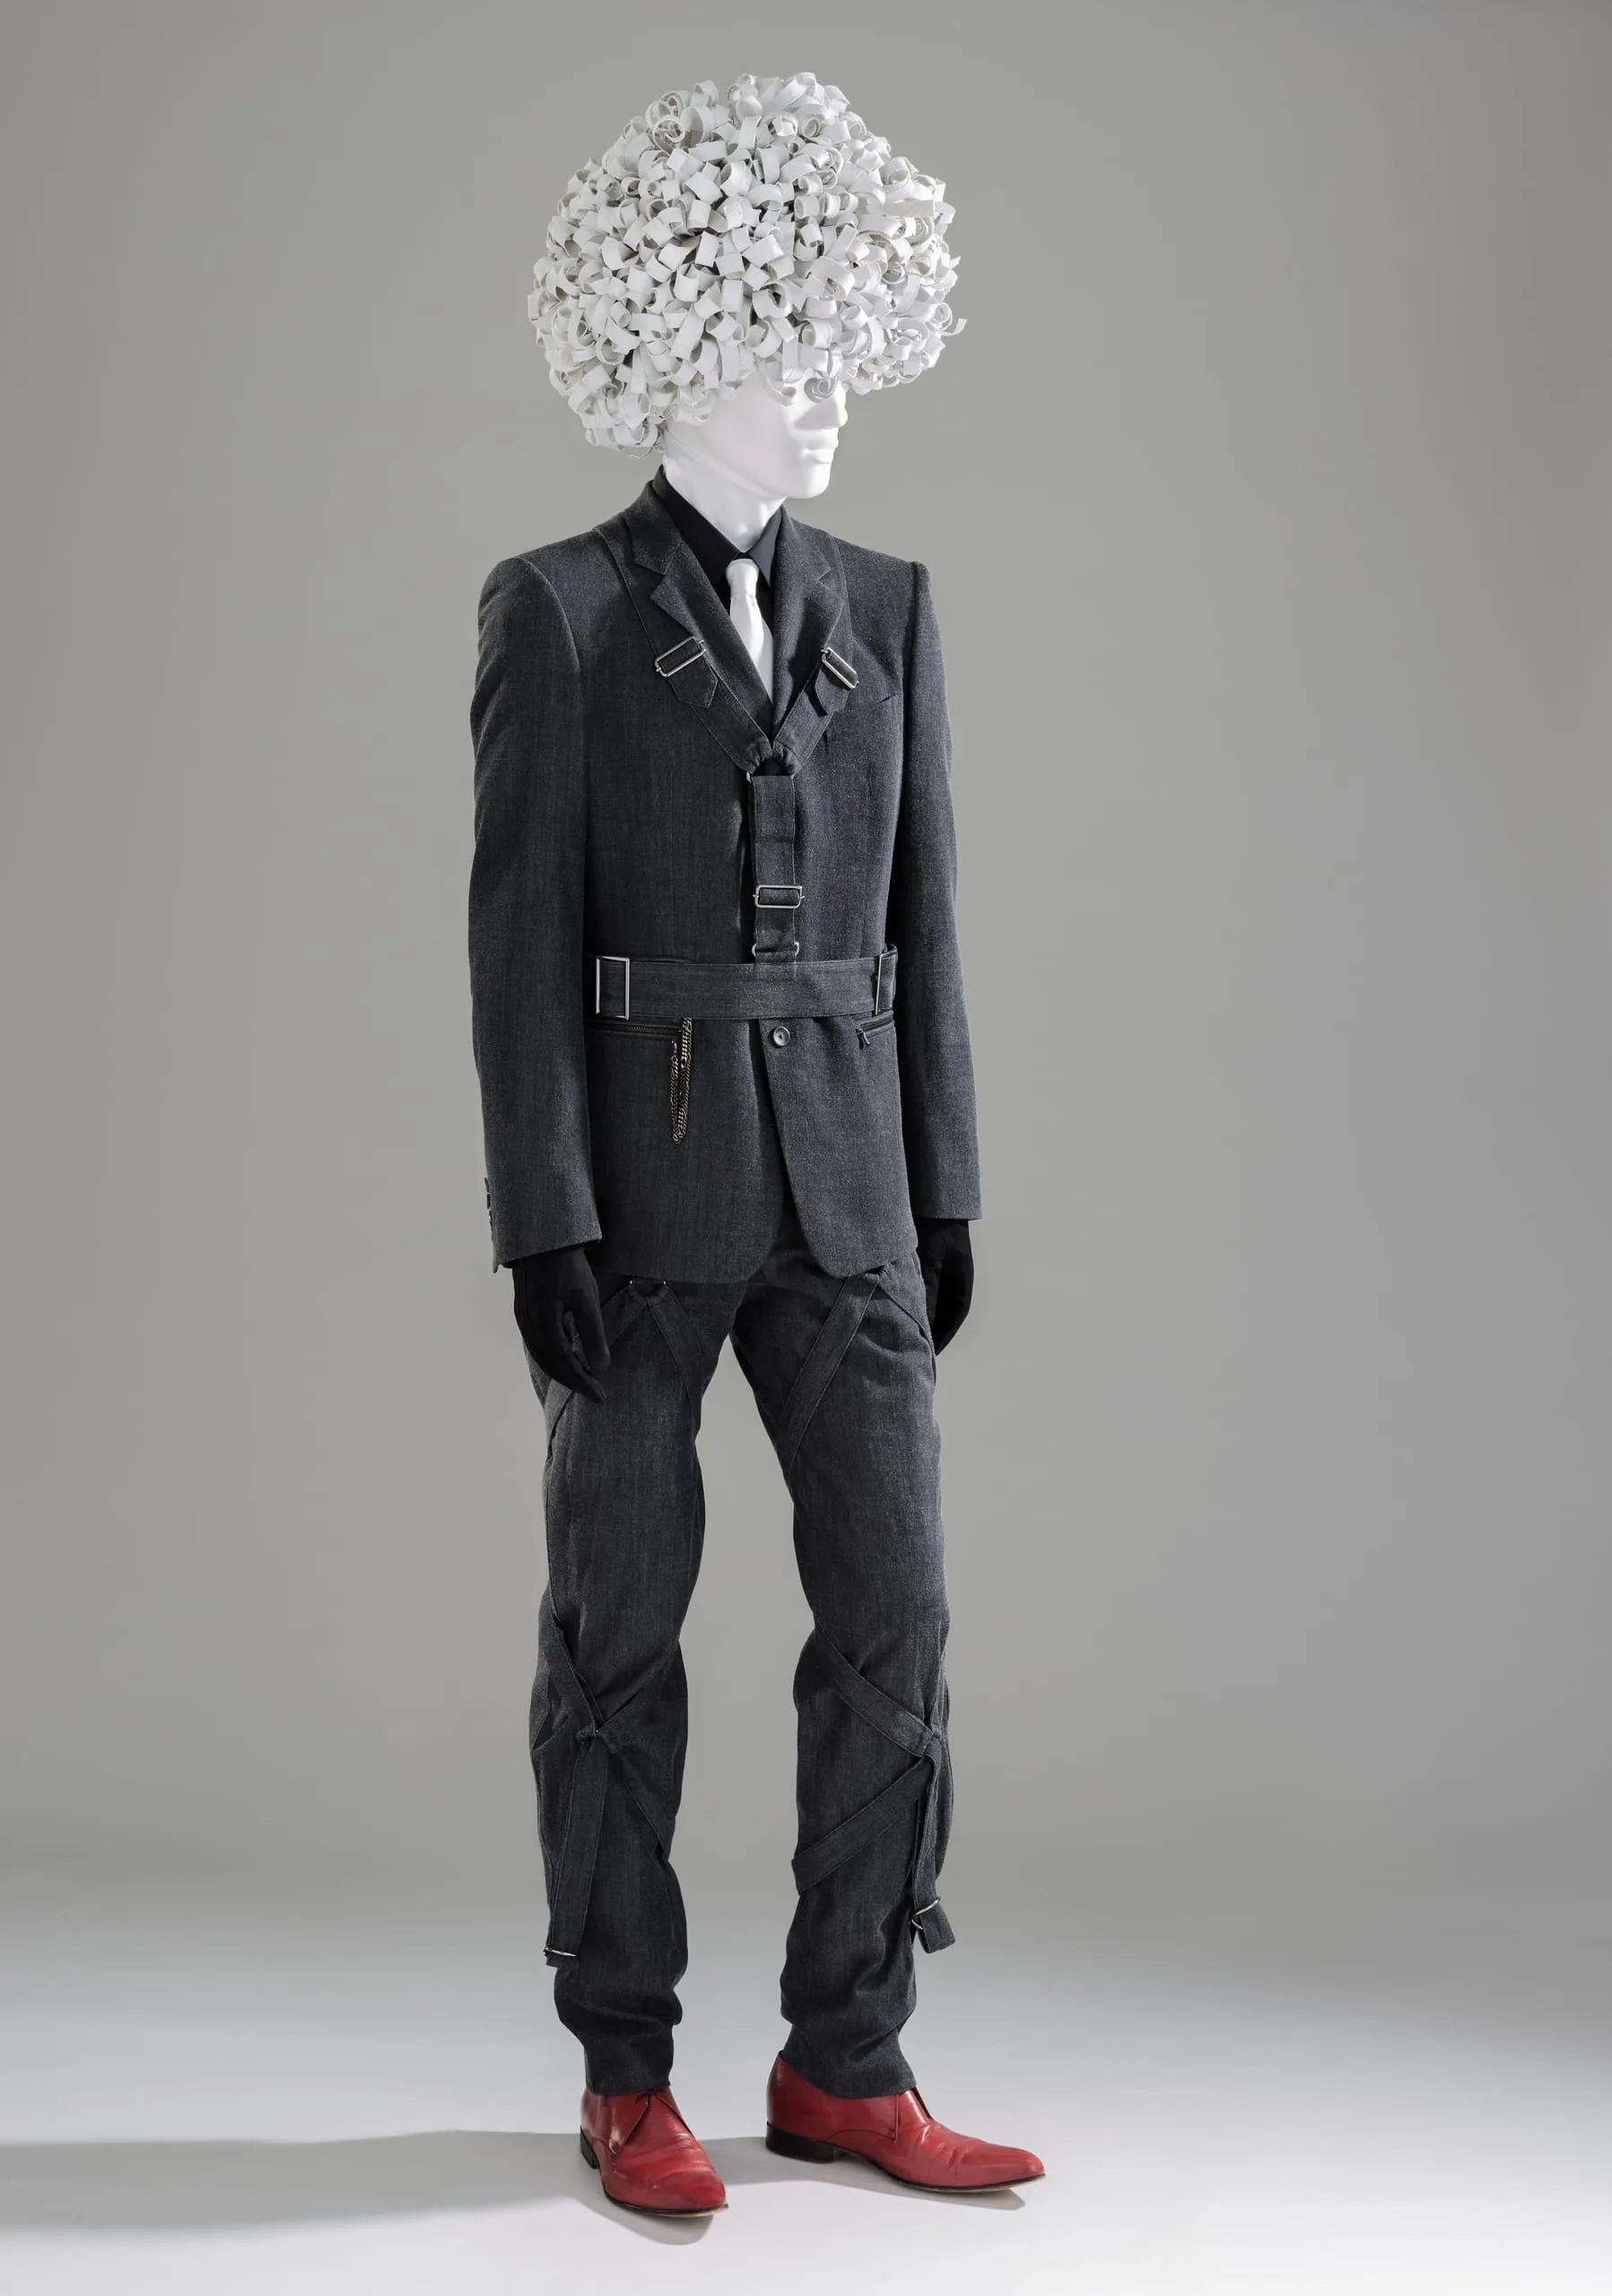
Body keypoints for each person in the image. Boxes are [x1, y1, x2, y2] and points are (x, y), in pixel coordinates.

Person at [469, 72, 1043, 2215]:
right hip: (640, 1192)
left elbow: (928, 913)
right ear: (679, 348)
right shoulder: (557, 613)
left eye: (839, 347)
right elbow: (516, 940)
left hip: (853, 1185)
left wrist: (946, 1176)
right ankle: (626, 2064)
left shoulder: (887, 602)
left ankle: (846, 2053)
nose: (824, 392)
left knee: (895, 1617)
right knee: (614, 1631)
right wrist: (540, 1213)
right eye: (783, 346)